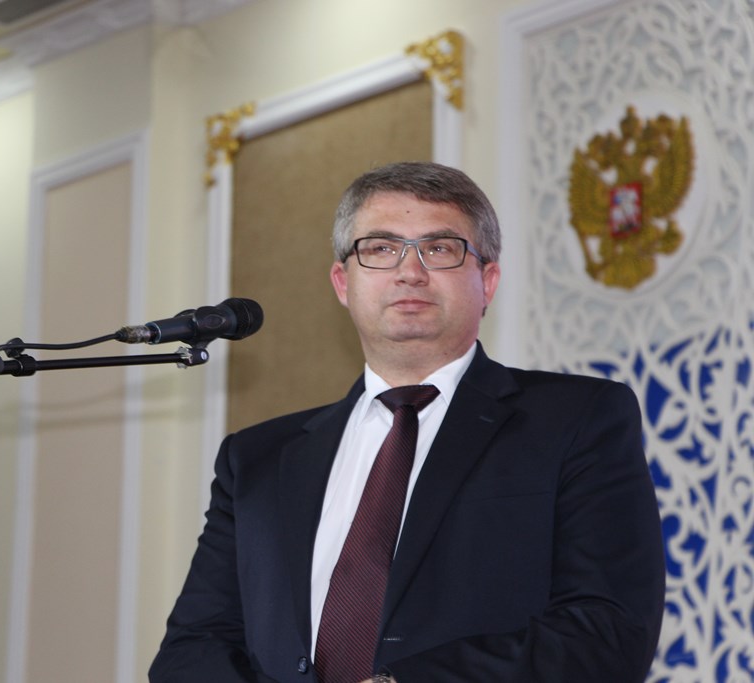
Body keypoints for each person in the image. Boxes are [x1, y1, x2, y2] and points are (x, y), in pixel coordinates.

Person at [149, 161, 665, 682]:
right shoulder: (257, 459)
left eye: (439, 249)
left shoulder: (576, 419)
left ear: (487, 281)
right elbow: (191, 651)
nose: (409, 271)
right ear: (342, 282)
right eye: (380, 248)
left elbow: (608, 631)